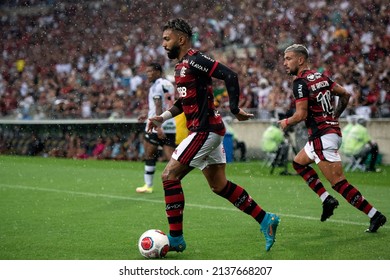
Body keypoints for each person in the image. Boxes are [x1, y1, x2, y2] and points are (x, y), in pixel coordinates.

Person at [148, 18, 280, 253]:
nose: (163, 44)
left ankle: (176, 238)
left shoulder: (196, 59)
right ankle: (266, 219)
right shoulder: (180, 67)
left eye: (167, 39)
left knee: (169, 176)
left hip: (205, 130)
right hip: (207, 130)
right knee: (219, 186)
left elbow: (230, 75)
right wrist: (163, 117)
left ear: (181, 39)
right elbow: (182, 102)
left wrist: (235, 108)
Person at [279, 44, 386, 232]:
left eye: (288, 58)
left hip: (322, 138)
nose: (284, 63)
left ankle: (375, 215)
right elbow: (345, 94)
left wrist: (286, 122)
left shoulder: (300, 83)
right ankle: (326, 199)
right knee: (298, 163)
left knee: (339, 183)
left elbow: (301, 115)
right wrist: (334, 117)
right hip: (325, 135)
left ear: (301, 60)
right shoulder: (321, 77)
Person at [136, 62, 177, 194]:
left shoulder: (156, 86)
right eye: (146, 72)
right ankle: (175, 183)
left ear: (158, 72)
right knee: (171, 157)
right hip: (170, 124)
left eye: (150, 71)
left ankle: (148, 185)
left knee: (149, 154)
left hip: (156, 126)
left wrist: (158, 126)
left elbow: (159, 105)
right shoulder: (168, 84)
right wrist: (147, 114)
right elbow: (168, 104)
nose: (147, 74)